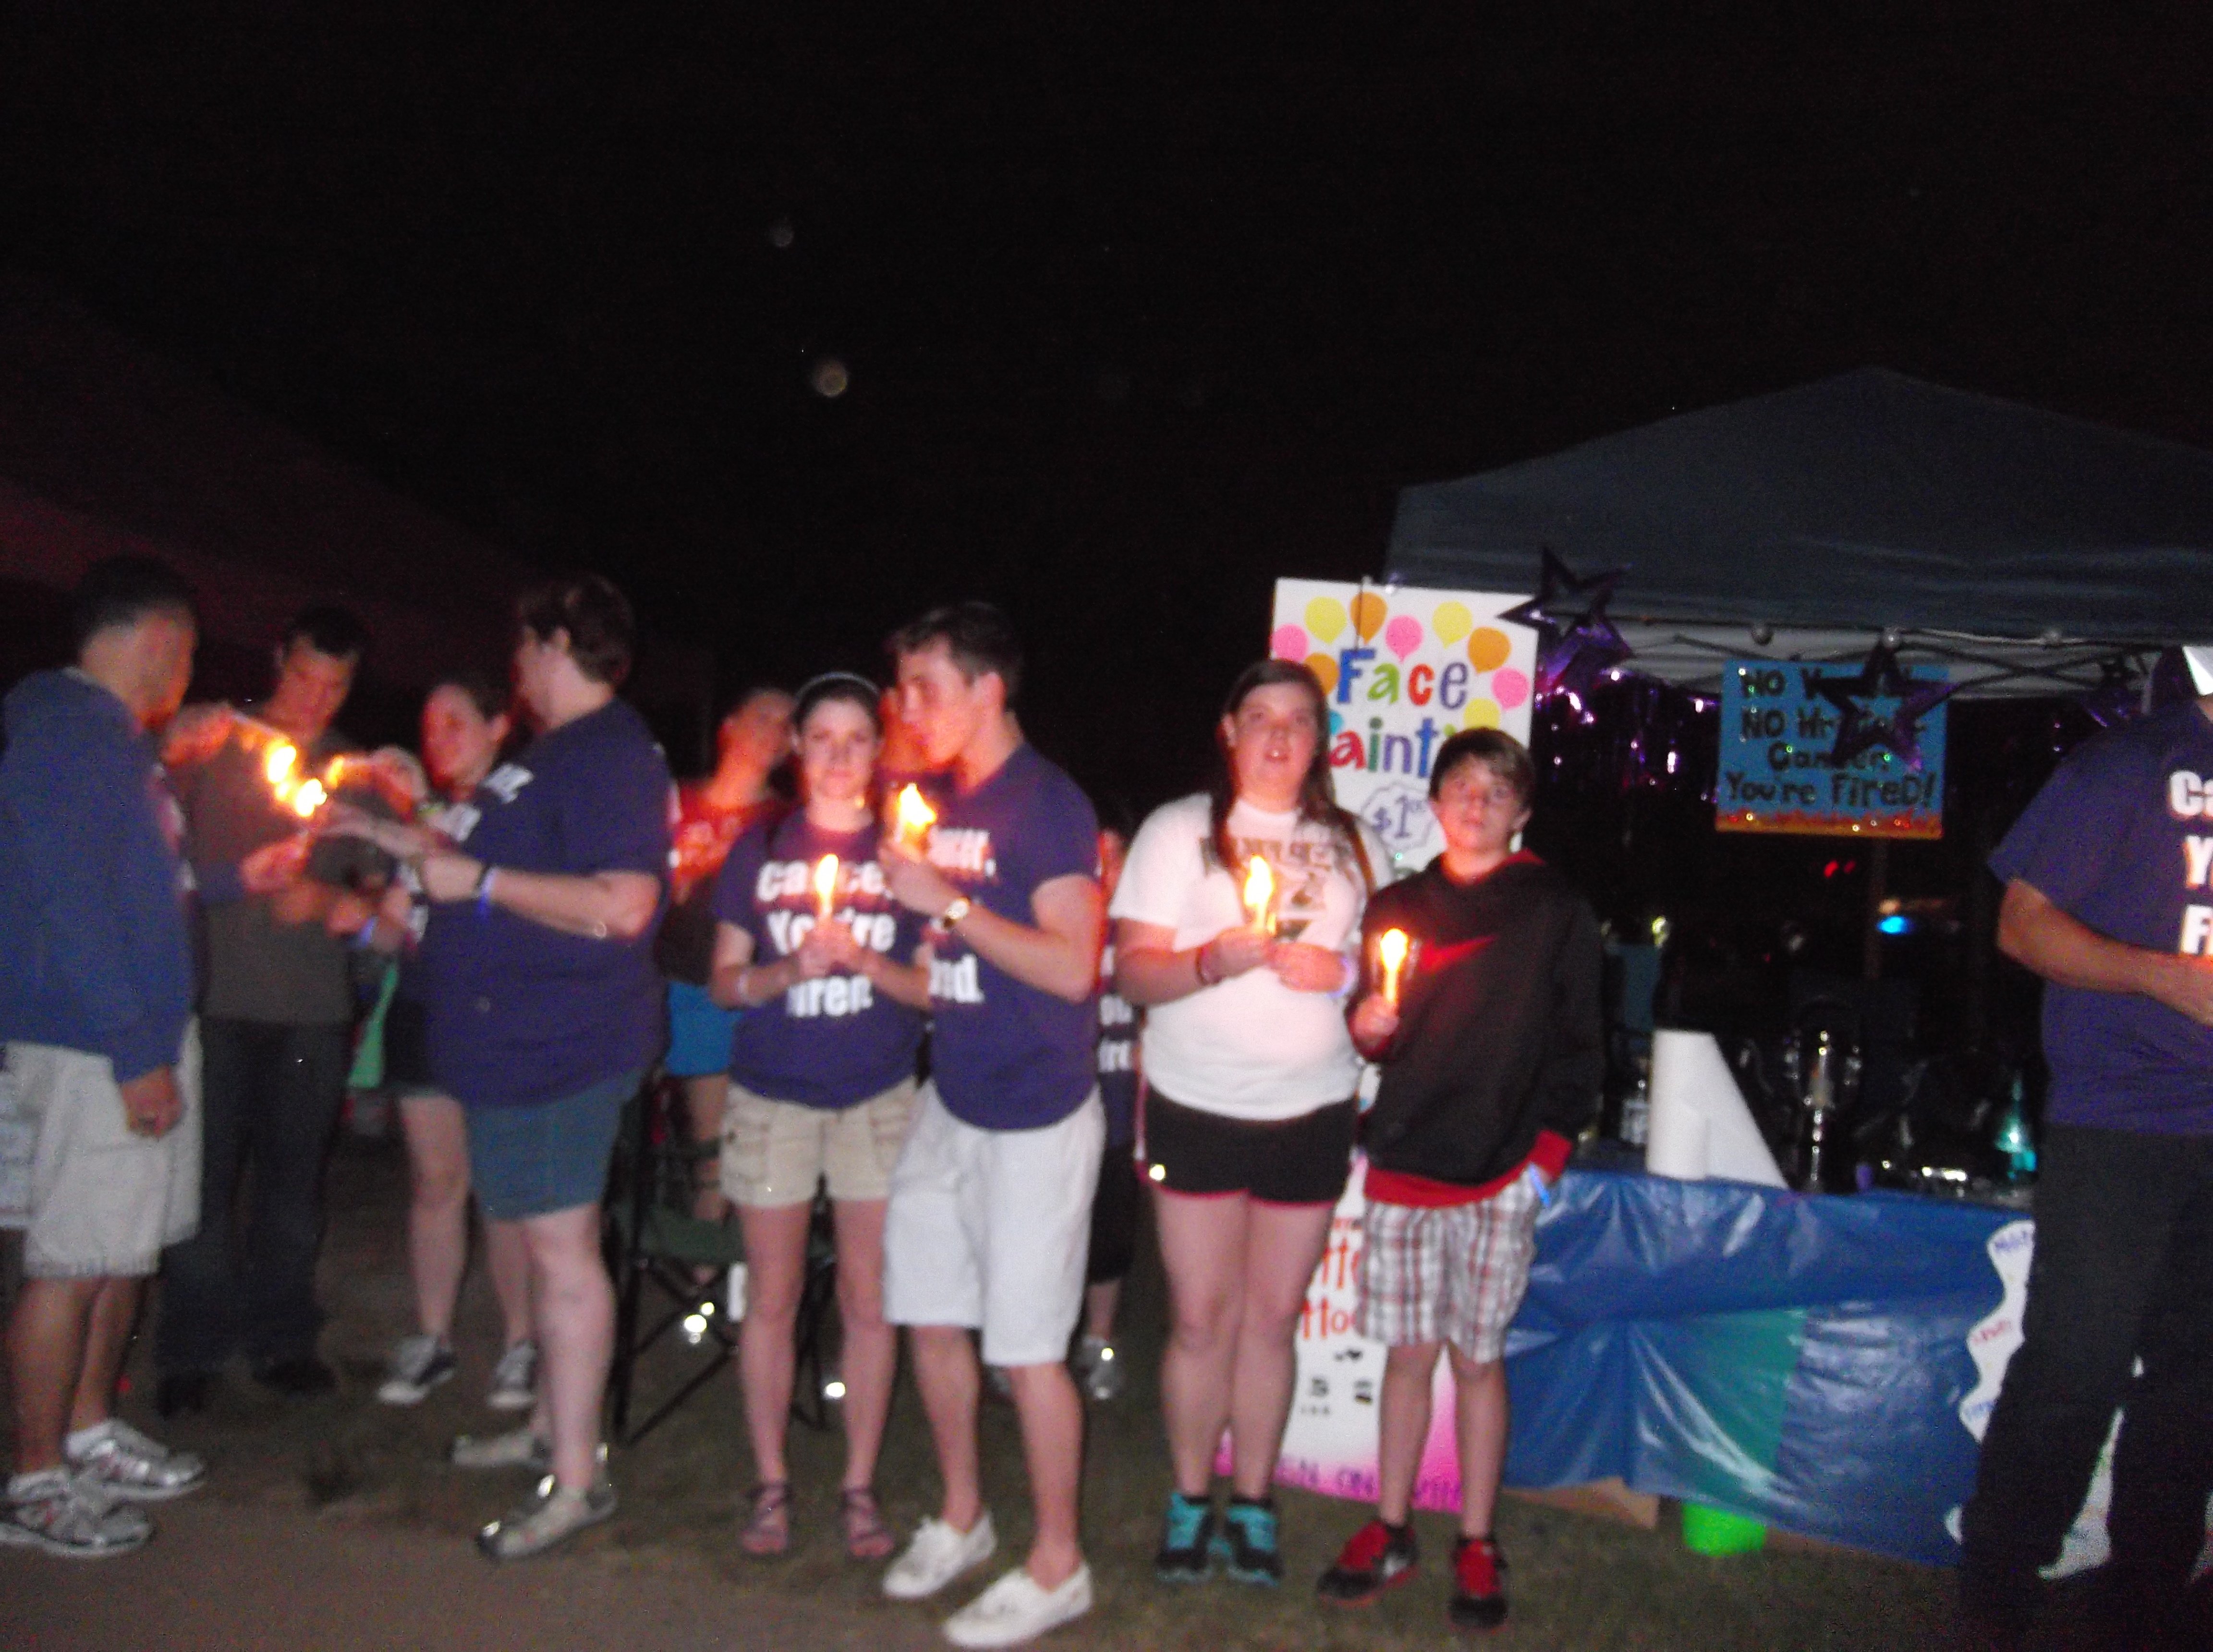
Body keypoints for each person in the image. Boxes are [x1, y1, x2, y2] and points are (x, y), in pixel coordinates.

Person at [403, 574, 669, 1561]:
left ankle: (577, 1481)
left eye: (523, 644)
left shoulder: (609, 753)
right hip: (514, 1049)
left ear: (558, 642)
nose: (513, 664)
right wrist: (390, 833)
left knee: (562, 1256)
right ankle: (551, 1431)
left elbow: (624, 904)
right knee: (549, 1246)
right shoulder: (552, 755)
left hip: (562, 1048)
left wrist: (476, 880)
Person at [1315, 729, 1601, 1631]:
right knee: (1407, 1356)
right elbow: (1380, 1033)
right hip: (1405, 1165)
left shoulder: (1553, 908)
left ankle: (1476, 1539)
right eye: (1462, 787)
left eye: (1497, 790)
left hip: (1499, 1172)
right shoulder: (1397, 905)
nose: (1477, 804)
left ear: (1522, 812)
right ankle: (1391, 1525)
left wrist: (1540, 1166)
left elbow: (1583, 1047)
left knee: (1478, 1361)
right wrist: (1366, 1028)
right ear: (1435, 803)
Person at [1110, 658, 1386, 1586]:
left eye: (1297, 720)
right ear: (1227, 732)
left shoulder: (1354, 843)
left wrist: (1344, 977)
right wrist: (1208, 963)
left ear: (1321, 741)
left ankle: (1255, 1503)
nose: (1277, 735)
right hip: (1195, 1106)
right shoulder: (1178, 831)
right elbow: (1132, 973)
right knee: (1199, 1321)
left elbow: (1383, 979)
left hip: (1311, 1112)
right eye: (1258, 717)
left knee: (1271, 1321)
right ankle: (1191, 1500)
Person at [1958, 686, 2213, 1652]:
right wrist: (2163, 975)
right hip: (2123, 1121)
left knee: (2198, 1382)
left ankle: (2146, 1596)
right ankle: (1997, 1587)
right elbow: (2022, 925)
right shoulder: (2128, 764)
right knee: (2076, 1362)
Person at [875, 602, 1107, 1649]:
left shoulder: (1047, 802)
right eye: (903, 688)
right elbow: (954, 968)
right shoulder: (942, 803)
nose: (907, 708)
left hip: (1036, 1116)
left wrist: (952, 906)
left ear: (987, 689)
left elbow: (1072, 967)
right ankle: (963, 1516)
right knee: (929, 1315)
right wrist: (907, 943)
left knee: (1026, 1353)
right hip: (953, 1099)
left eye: (925, 687)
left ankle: (1060, 1565)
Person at [0, 557, 209, 1556]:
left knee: (121, 1250)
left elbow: (136, 885)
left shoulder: (117, 744)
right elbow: (73, 904)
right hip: (94, 1042)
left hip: (135, 1035)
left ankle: (88, 1434)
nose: (188, 672)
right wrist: (134, 1048)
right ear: (158, 641)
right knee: (73, 1260)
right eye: (188, 651)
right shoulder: (66, 736)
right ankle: (36, 1479)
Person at [707, 673, 929, 1560]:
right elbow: (723, 983)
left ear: (878, 752)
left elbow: (933, 991)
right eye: (822, 739)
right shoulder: (758, 850)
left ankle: (857, 1486)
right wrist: (787, 972)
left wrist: (866, 966)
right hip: (773, 1096)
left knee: (869, 1299)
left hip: (877, 1096)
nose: (839, 757)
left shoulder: (906, 854)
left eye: (857, 740)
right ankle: (771, 1483)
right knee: (773, 1296)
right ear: (796, 748)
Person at [157, 603, 370, 1413]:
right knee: (202, 1183)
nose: (315, 700)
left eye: (336, 687)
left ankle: (283, 1340)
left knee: (292, 1184)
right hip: (213, 997)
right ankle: (193, 1350)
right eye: (305, 678)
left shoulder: (351, 770)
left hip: (310, 1009)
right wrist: (172, 744)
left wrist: (336, 901)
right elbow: (152, 842)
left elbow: (384, 888)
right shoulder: (218, 742)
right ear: (279, 659)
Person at [354, 673, 537, 1411]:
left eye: (456, 722)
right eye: (430, 727)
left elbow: (488, 886)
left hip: (494, 1018)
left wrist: (421, 812)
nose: (438, 739)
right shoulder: (425, 817)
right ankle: (432, 1338)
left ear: (499, 727)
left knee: (502, 1187)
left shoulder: (515, 810)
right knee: (436, 1183)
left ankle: (521, 1344)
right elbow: (395, 927)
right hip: (424, 1013)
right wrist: (358, 917)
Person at [662, 686, 795, 1226]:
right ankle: (704, 1262)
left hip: (745, 989)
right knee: (703, 1140)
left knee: (742, 1140)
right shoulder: (674, 801)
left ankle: (730, 1257)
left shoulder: (785, 820)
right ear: (729, 726)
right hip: (675, 983)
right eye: (762, 716)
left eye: (787, 724)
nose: (774, 732)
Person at [1071, 812, 1141, 1404]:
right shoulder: (1059, 923)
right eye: (1096, 856)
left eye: (1118, 856)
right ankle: (1034, 1346)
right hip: (1061, 1110)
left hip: (1119, 1111)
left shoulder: (1145, 933)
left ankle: (1099, 1340)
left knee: (1110, 1238)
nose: (1107, 870)